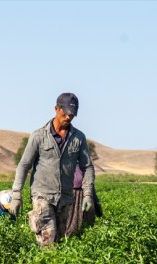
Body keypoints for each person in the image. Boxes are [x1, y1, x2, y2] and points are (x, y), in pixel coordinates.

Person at [10, 92, 95, 246]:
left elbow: (87, 167)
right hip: (42, 196)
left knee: (60, 240)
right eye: (66, 113)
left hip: (65, 198)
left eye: (72, 115)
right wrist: (17, 194)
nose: (69, 117)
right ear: (56, 109)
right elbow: (24, 165)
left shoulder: (78, 138)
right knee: (48, 241)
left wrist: (88, 194)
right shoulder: (39, 136)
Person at [65, 164, 103, 237]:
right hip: (69, 196)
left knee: (86, 228)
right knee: (69, 229)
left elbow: (91, 188)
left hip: (84, 195)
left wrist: (97, 204)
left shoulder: (84, 165)